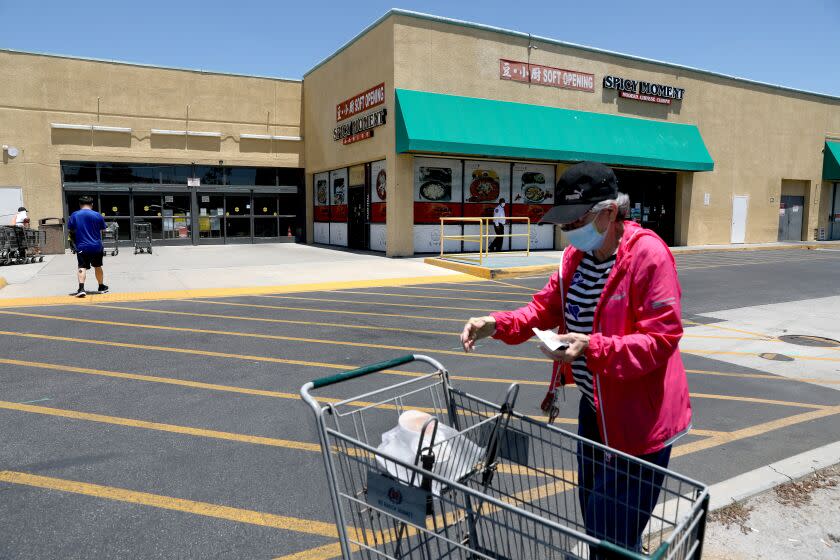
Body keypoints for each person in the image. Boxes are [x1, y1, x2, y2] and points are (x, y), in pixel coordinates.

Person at [460, 161, 691, 556]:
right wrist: (495, 324)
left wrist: (593, 347)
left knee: (613, 530)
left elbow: (661, 339)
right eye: (564, 224)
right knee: (595, 519)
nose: (568, 232)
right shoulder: (574, 262)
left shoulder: (648, 256)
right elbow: (540, 311)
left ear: (609, 213)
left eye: (575, 222)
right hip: (595, 409)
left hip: (639, 418)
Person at [67, 196, 109, 297]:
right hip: (96, 246)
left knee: (82, 267)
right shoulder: (97, 215)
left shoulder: (74, 215)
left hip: (82, 246)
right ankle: (101, 286)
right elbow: (104, 229)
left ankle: (81, 288)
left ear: (80, 204)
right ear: (92, 204)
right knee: (98, 266)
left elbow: (70, 230)